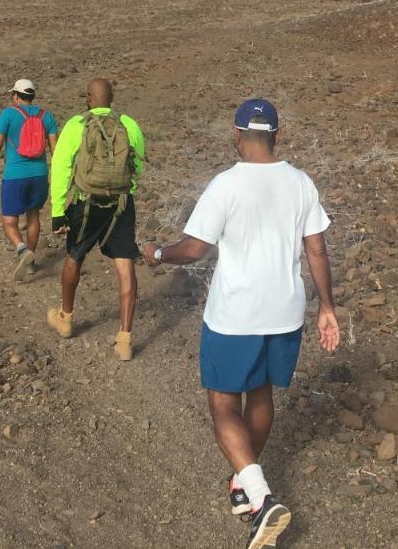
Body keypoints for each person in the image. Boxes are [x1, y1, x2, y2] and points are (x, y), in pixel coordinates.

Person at [141, 99, 339, 549]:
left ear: (236, 135)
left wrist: (156, 254)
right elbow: (318, 251)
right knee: (262, 393)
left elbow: (194, 250)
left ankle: (263, 497)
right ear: (277, 134)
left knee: (224, 404)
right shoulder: (300, 183)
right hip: (285, 311)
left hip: (236, 315)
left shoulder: (226, 185)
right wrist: (327, 306)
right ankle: (243, 483)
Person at [46, 78, 146, 360]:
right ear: (112, 99)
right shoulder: (129, 123)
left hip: (85, 203)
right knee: (125, 266)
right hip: (122, 203)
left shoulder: (76, 125)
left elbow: (62, 167)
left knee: (74, 256)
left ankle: (65, 317)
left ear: (89, 98)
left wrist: (57, 212)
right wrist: (128, 191)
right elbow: (138, 161)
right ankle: (125, 339)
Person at [0, 79, 59, 281]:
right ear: (32, 96)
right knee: (33, 216)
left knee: (9, 221)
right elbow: (56, 150)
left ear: (16, 96)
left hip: (15, 176)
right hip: (40, 175)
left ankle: (22, 249)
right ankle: (31, 264)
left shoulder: (9, 114)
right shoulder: (47, 116)